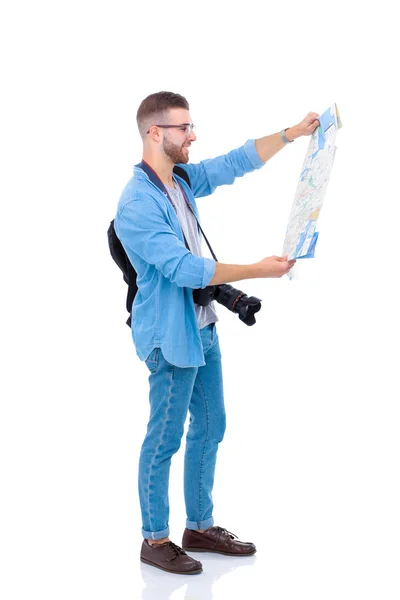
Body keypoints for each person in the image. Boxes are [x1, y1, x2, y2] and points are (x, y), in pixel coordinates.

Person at [114, 91, 319, 575]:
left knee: (211, 425)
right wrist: (258, 270)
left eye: (191, 126)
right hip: (170, 335)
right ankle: (154, 538)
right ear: (154, 132)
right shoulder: (137, 203)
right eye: (183, 128)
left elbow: (234, 162)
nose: (192, 135)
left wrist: (293, 133)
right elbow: (184, 268)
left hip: (201, 326)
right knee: (163, 439)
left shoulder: (179, 180)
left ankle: (199, 527)